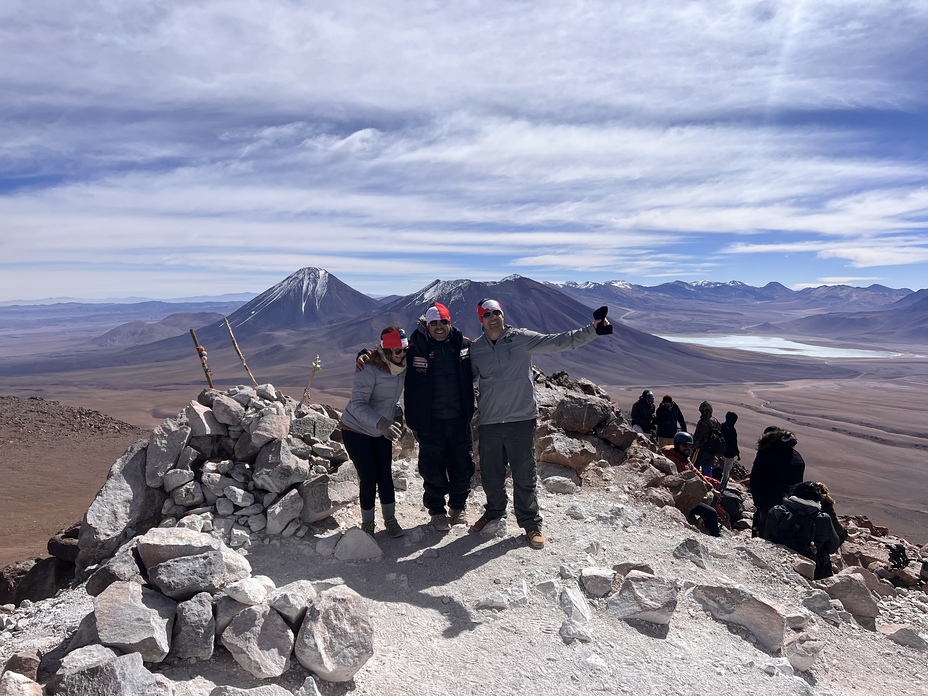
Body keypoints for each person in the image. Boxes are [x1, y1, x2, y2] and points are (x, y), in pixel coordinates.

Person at [469, 299, 613, 549]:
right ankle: (494, 512)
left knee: (524, 475)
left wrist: (593, 330)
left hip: (521, 419)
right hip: (490, 420)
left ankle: (531, 523)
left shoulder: (521, 338)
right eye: (487, 314)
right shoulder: (476, 349)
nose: (493, 318)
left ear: (503, 315)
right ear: (481, 319)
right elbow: (463, 377)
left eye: (496, 313)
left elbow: (559, 340)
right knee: (491, 475)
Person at [403, 302, 476, 531]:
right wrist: (364, 355)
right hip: (430, 421)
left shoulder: (463, 345)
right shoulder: (415, 348)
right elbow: (388, 354)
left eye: (443, 322)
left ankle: (458, 506)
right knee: (432, 467)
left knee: (462, 465)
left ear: (449, 322)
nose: (439, 327)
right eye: (434, 323)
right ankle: (436, 511)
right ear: (427, 325)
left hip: (459, 418)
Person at [339, 326, 408, 538]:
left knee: (385, 475)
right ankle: (368, 524)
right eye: (398, 351)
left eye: (406, 349)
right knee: (368, 477)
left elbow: (389, 400)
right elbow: (358, 405)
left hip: (380, 429)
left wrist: (396, 417)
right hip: (356, 430)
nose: (402, 354)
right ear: (386, 351)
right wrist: (382, 423)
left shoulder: (401, 367)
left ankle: (390, 520)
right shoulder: (368, 370)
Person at [764, 481, 841, 579]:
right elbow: (833, 547)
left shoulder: (776, 511)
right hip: (813, 570)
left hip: (778, 564)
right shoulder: (823, 519)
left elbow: (766, 537)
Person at [660, 432, 720, 537]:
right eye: (685, 445)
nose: (688, 448)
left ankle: (704, 524)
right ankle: (714, 537)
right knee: (712, 513)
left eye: (690, 446)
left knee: (713, 496)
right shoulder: (672, 459)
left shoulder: (684, 458)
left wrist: (710, 487)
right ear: (678, 444)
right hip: (682, 497)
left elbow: (696, 472)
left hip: (691, 492)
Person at [749, 426, 805, 538]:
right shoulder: (797, 456)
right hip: (791, 504)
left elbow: (755, 480)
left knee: (765, 535)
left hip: (769, 500)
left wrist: (758, 502)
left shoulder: (765, 454)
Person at [692, 400, 723, 477]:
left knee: (694, 464)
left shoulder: (703, 422)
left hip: (702, 448)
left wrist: (693, 446)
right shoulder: (715, 421)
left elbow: (698, 437)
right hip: (712, 449)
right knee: (707, 466)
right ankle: (708, 482)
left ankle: (695, 480)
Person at [719, 410, 741, 488]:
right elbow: (734, 443)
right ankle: (723, 484)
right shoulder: (732, 430)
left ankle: (717, 480)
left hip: (720, 451)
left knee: (719, 466)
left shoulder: (721, 426)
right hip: (729, 452)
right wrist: (738, 454)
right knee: (727, 469)